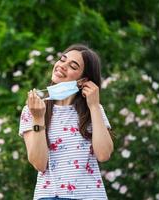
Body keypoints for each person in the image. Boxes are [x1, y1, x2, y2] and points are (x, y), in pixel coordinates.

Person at [19, 44, 114, 200]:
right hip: (49, 196)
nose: (62, 66)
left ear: (83, 80)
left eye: (73, 66)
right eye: (62, 60)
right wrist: (38, 118)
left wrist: (94, 106)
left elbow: (103, 154)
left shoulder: (93, 110)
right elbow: (39, 163)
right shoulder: (33, 110)